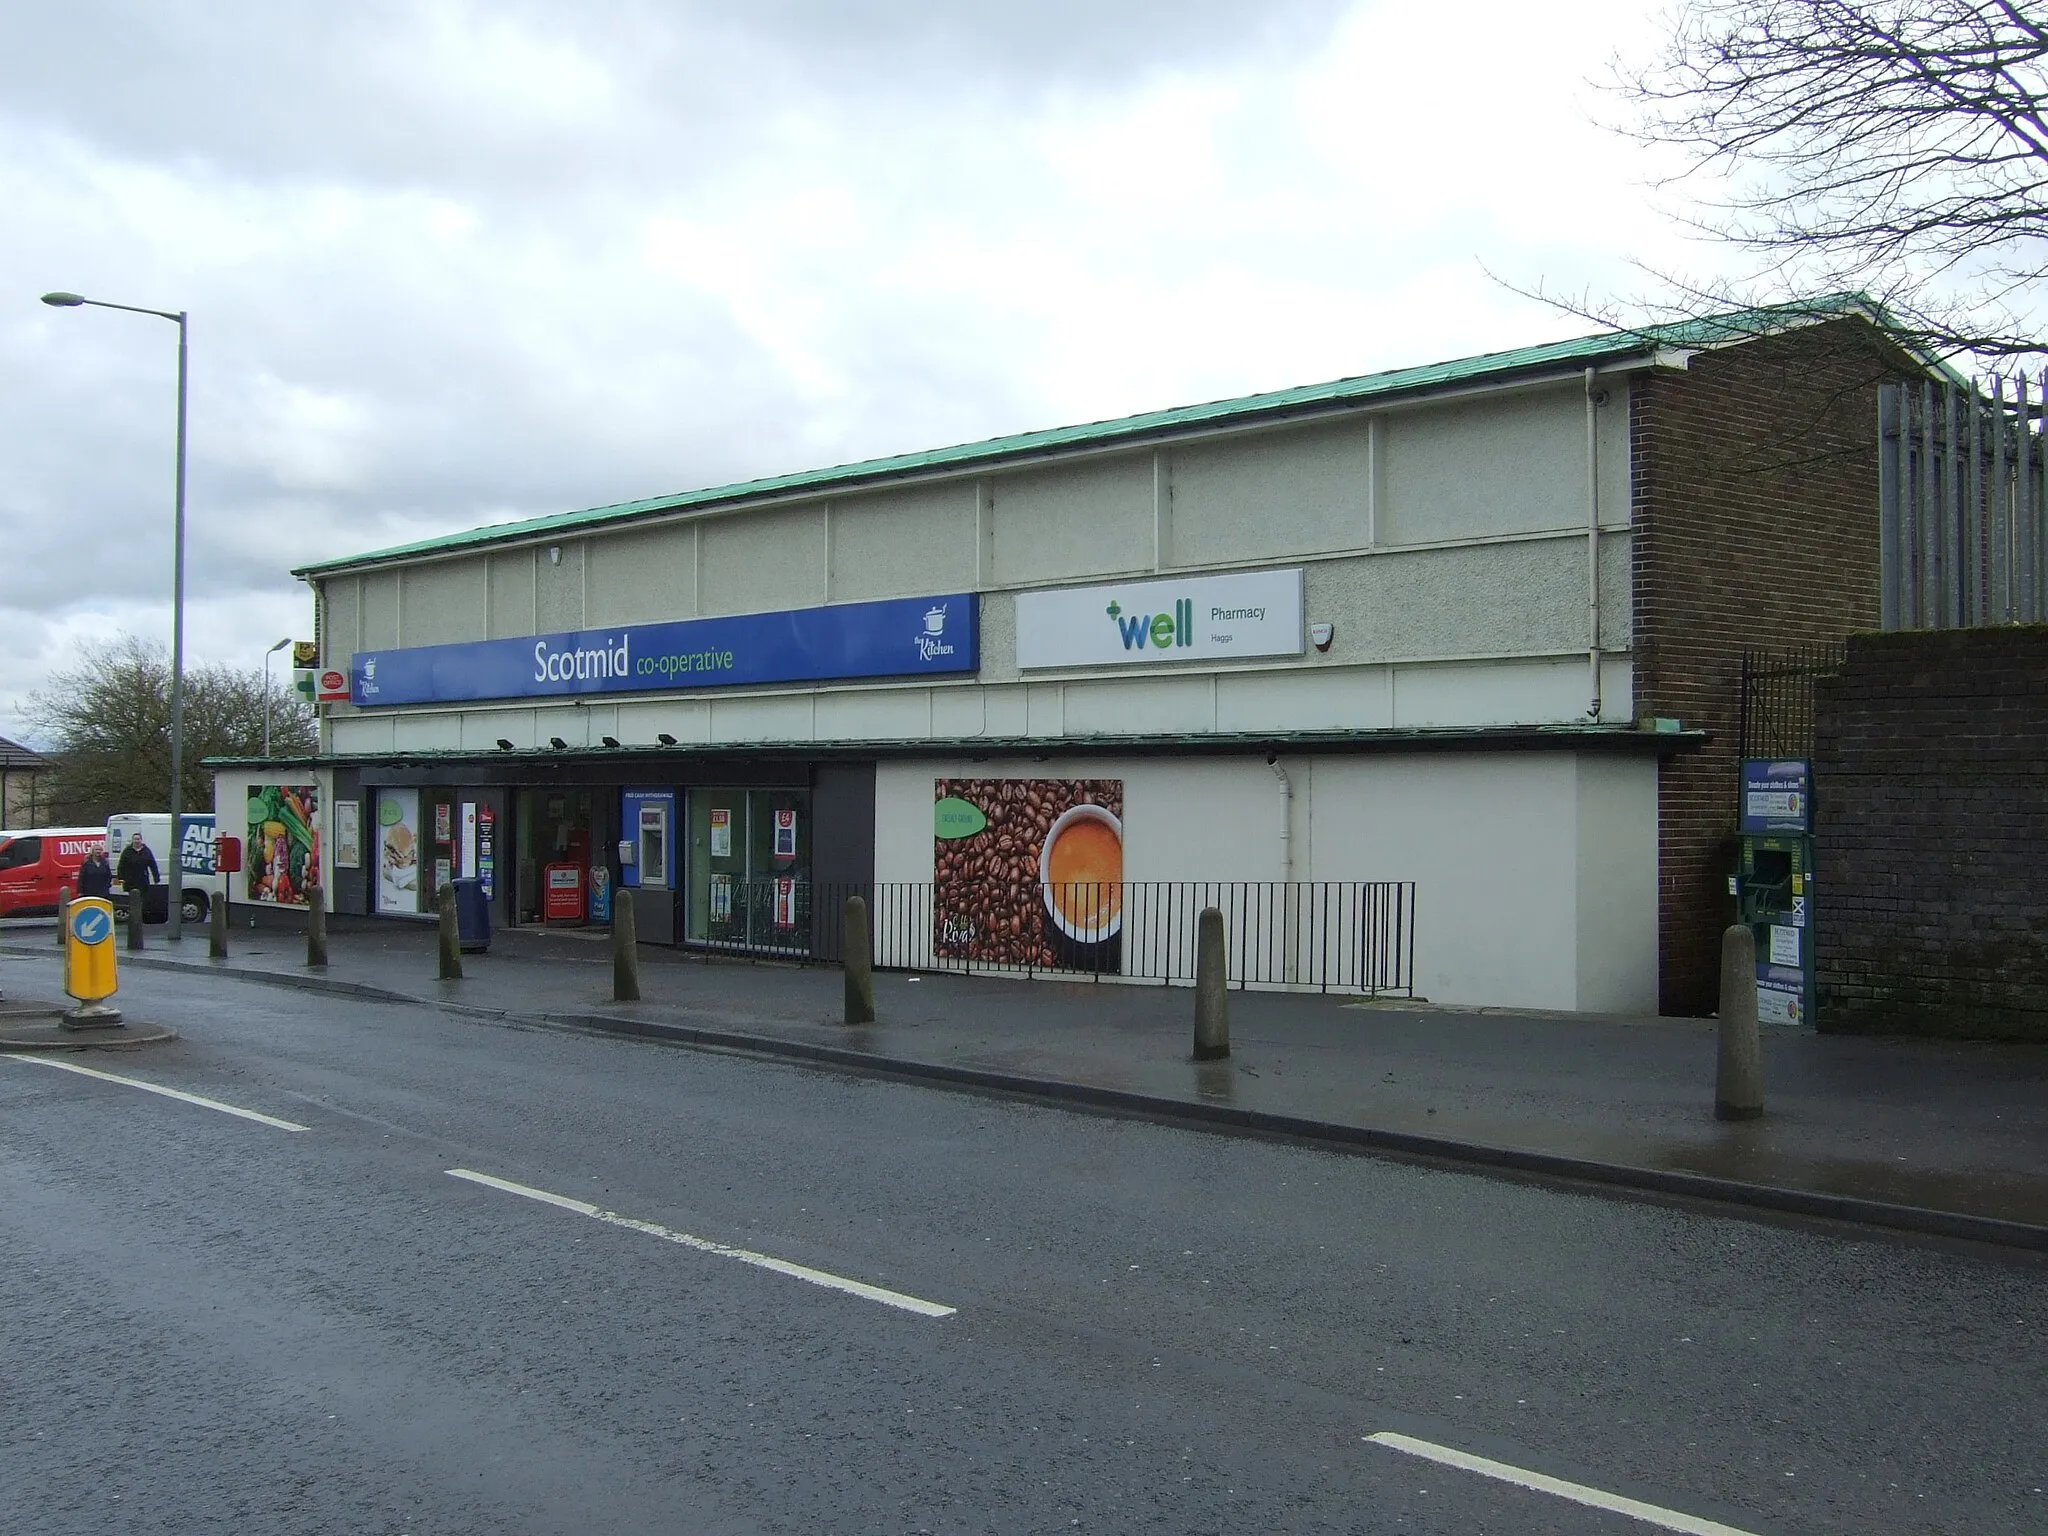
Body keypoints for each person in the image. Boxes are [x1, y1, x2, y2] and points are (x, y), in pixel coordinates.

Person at [116, 832, 160, 900]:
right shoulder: (127, 851)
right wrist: (121, 878)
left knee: (143, 899)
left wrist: (156, 878)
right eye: (135, 839)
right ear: (132, 840)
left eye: (138, 839)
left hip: (143, 880)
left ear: (141, 840)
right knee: (132, 899)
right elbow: (121, 866)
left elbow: (153, 865)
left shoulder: (146, 851)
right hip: (130, 880)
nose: (136, 841)